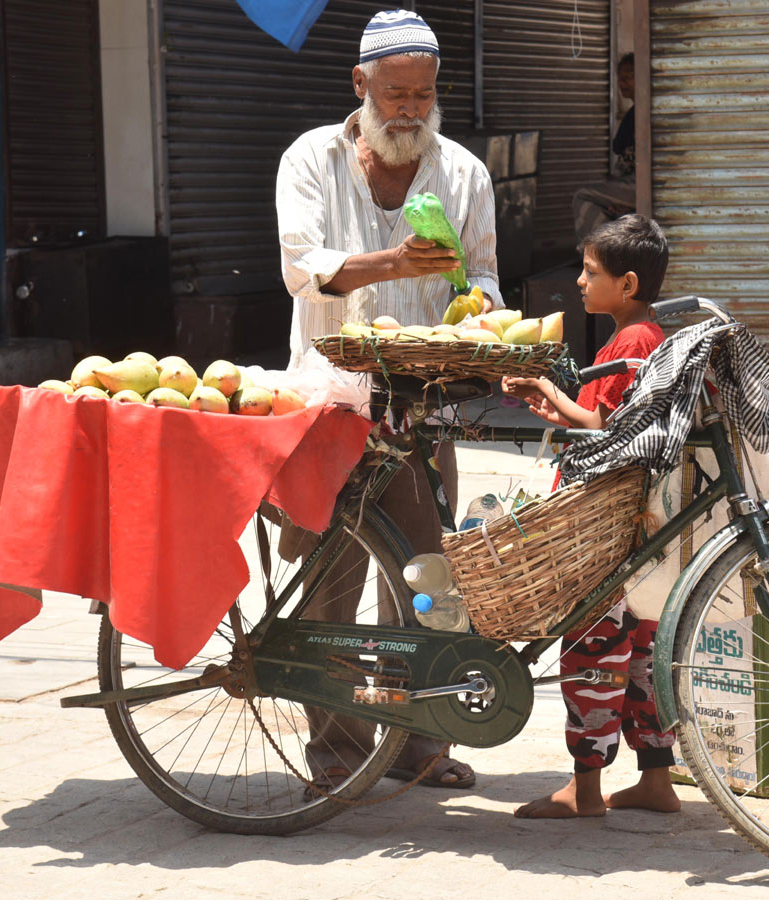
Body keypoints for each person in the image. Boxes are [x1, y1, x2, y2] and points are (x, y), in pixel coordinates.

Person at [275, 8, 502, 791]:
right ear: (361, 84)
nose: (409, 109)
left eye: (423, 94)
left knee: (428, 579)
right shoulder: (311, 159)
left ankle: (421, 742)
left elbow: (487, 282)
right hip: (327, 404)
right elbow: (304, 268)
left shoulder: (464, 174)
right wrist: (393, 265)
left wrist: (487, 327)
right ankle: (338, 754)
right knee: (332, 578)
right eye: (395, 93)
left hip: (424, 406)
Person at [501, 214, 681, 818]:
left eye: (591, 272)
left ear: (627, 285)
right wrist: (561, 407)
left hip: (603, 526)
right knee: (641, 654)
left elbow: (609, 426)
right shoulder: (646, 336)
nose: (578, 281)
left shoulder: (630, 342)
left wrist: (550, 395)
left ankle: (584, 790)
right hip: (638, 527)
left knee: (593, 649)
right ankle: (657, 782)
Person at [571, 53, 637, 241]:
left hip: (637, 185)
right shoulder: (633, 113)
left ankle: (597, 257)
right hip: (630, 184)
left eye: (627, 78)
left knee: (583, 196)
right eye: (620, 79)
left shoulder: (642, 112)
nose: (622, 84)